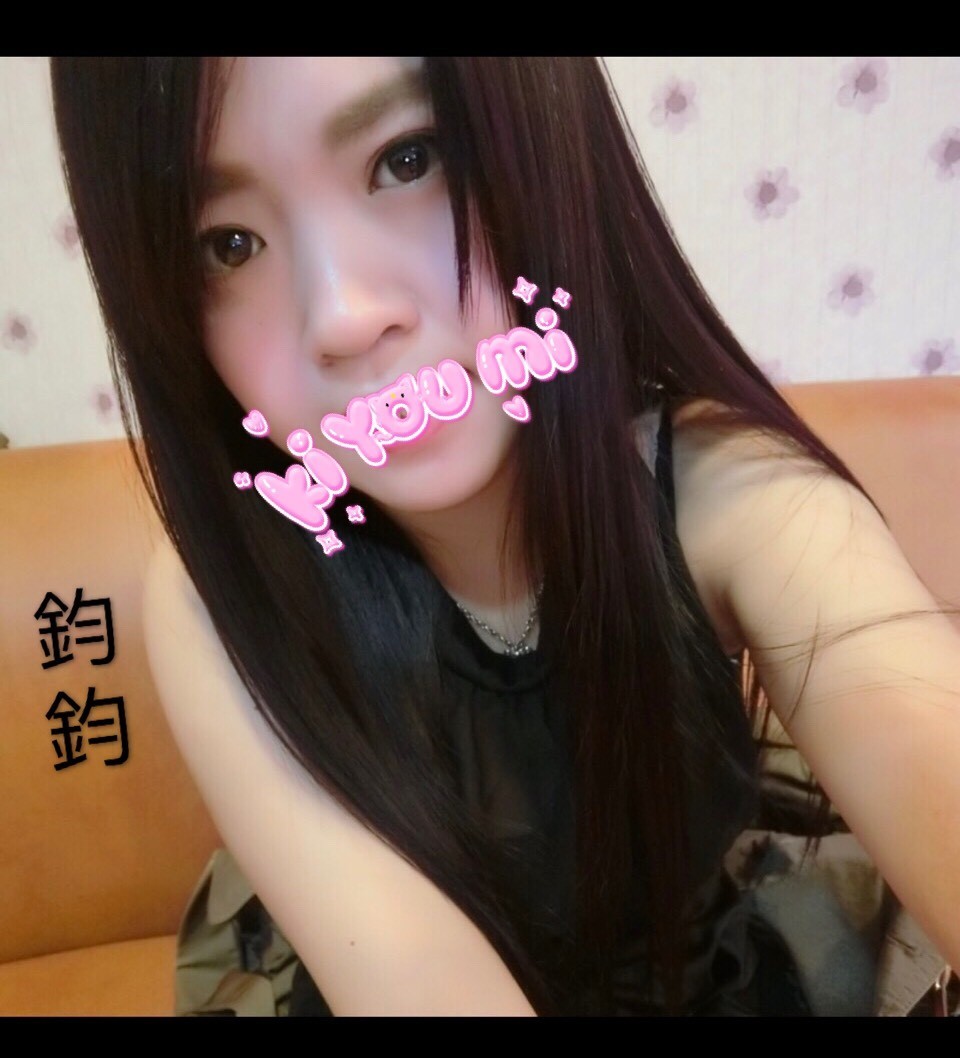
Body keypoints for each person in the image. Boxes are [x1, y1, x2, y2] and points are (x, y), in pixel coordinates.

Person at [49, 57, 960, 1017]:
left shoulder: (739, 495)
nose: (345, 320)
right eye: (229, 244)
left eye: (409, 158)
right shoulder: (227, 591)